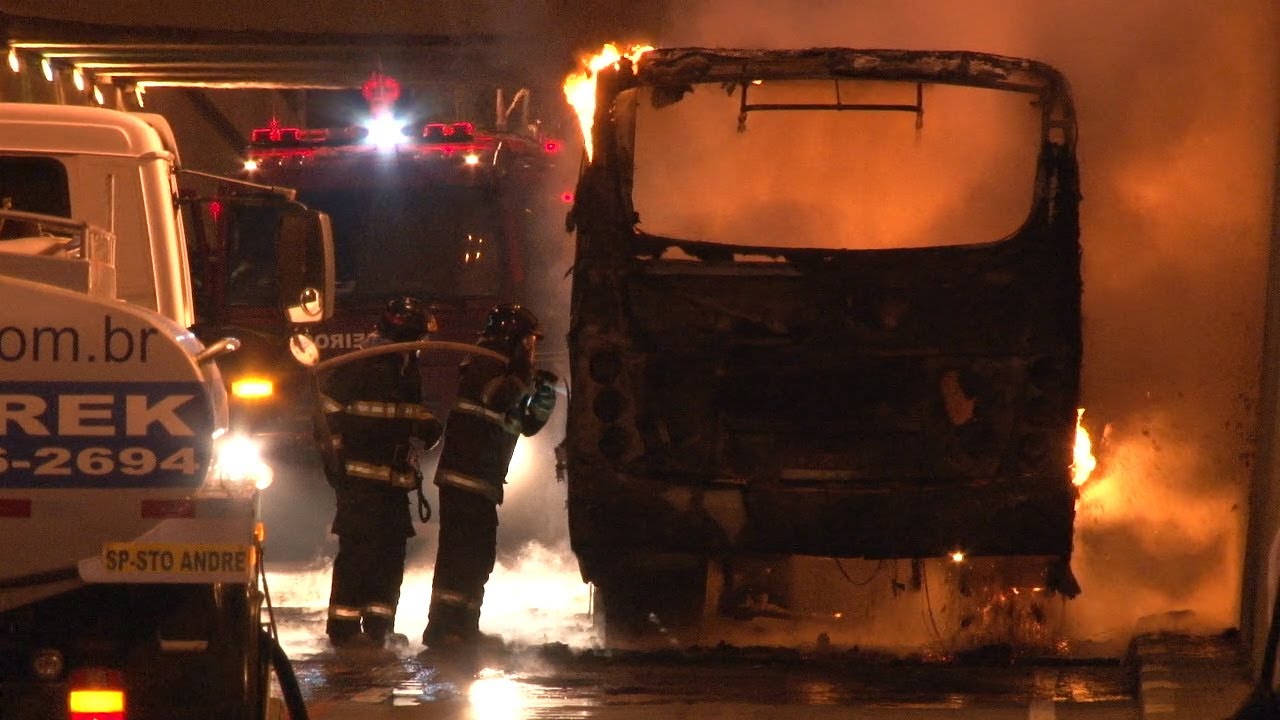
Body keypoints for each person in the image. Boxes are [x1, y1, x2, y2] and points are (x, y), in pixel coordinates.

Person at [423, 302, 558, 650]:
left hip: (482, 478)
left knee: (478, 555)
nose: (532, 348)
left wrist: (542, 395)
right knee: (461, 555)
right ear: (512, 337)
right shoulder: (486, 359)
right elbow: (497, 397)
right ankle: (442, 629)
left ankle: (464, 626)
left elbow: (525, 425)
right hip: (465, 476)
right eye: (528, 341)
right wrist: (523, 375)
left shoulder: (506, 367)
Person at [319, 295, 443, 649]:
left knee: (390, 556)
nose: (421, 346)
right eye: (418, 338)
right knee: (359, 555)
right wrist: (338, 467)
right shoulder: (360, 364)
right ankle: (343, 629)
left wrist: (425, 425)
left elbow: (401, 413)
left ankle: (379, 627)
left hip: (393, 482)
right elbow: (326, 415)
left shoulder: (404, 368)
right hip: (360, 483)